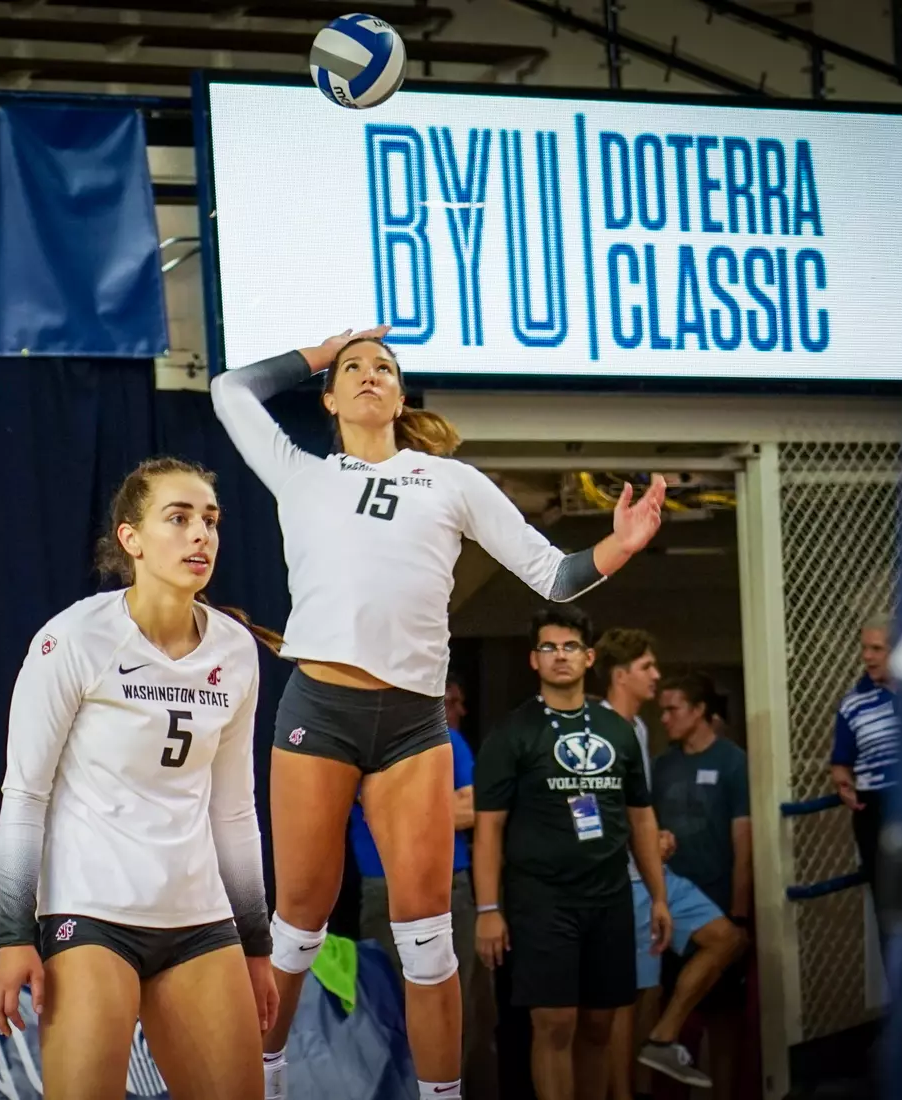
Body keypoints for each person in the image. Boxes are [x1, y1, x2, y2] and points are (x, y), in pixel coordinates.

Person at [212, 326, 666, 1100]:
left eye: (382, 367)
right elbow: (229, 390)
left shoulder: (450, 482)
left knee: (426, 941)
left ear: (399, 394)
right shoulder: (301, 472)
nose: (367, 375)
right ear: (327, 397)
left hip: (412, 723)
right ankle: (269, 1076)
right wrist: (327, 348)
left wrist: (618, 548)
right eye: (352, 370)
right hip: (318, 710)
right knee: (299, 922)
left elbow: (553, 576)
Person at [0, 457, 278, 1100]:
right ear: (132, 539)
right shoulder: (75, 639)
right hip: (91, 912)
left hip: (200, 918)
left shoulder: (234, 650)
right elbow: (25, 795)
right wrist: (14, 935)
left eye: (210, 519)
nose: (200, 534)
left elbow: (234, 811)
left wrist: (257, 941)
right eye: (178, 518)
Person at [473, 607, 669, 1100]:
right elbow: (489, 829)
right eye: (548, 647)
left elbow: (641, 818)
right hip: (541, 899)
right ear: (533, 660)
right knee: (555, 1021)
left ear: (589, 657)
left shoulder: (618, 729)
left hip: (609, 895)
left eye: (569, 647)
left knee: (601, 1024)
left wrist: (659, 897)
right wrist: (488, 910)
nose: (560, 656)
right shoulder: (512, 733)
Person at [595, 630, 746, 1095]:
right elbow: (582, 805)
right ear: (622, 676)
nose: (656, 677)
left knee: (725, 939)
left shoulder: (639, 730)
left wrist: (651, 833)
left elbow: (636, 805)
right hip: (615, 881)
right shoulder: (593, 727)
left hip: (653, 876)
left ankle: (663, 1037)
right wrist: (630, 842)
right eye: (647, 668)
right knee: (627, 1000)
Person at [348, 679, 498, 1097]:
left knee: (463, 1009)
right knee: (391, 1006)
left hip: (452, 885)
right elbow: (363, 804)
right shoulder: (359, 736)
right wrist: (431, 807)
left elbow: (471, 809)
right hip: (386, 887)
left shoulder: (446, 738)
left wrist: (395, 805)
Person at [652, 673, 753, 1100]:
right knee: (675, 1017)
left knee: (725, 1021)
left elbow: (743, 843)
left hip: (718, 902)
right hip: (672, 910)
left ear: (699, 711)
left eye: (673, 709)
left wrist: (740, 912)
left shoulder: (732, 763)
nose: (664, 718)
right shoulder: (662, 766)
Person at [828, 614, 897, 884]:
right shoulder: (852, 704)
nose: (867, 656)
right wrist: (841, 779)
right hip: (875, 809)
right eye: (864, 648)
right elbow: (840, 761)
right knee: (888, 900)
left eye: (877, 649)